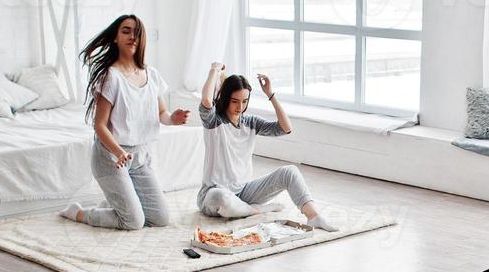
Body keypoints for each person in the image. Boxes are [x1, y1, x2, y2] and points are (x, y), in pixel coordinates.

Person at [62, 14, 189, 229]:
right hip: (111, 157)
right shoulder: (110, 76)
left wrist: (172, 119)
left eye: (137, 32)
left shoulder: (151, 74)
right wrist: (119, 152)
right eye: (126, 31)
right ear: (115, 38)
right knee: (133, 222)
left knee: (160, 218)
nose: (133, 36)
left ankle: (119, 202)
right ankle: (80, 213)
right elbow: (99, 125)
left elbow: (162, 114)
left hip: (140, 157)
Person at [195, 61, 338, 231]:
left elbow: (286, 128)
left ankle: (314, 216)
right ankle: (257, 210)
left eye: (244, 101)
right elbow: (206, 99)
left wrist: (270, 94)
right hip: (213, 195)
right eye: (234, 101)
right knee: (222, 198)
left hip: (245, 192)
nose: (240, 107)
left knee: (289, 172)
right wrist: (214, 70)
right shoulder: (214, 121)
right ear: (226, 99)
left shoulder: (251, 123)